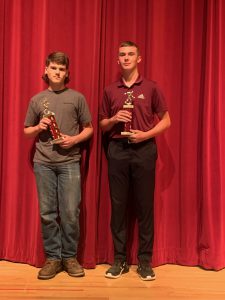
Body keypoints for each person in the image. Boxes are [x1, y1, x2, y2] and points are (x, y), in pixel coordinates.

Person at [99, 41, 171, 281]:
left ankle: (145, 261)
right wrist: (113, 119)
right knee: (118, 207)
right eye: (122, 54)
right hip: (117, 149)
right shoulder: (110, 90)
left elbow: (166, 120)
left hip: (144, 149)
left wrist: (145, 134)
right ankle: (119, 260)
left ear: (139, 59)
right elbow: (101, 124)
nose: (126, 58)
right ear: (117, 60)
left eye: (131, 54)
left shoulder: (151, 87)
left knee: (144, 207)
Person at [24, 52, 93, 280]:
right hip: (43, 163)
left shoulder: (77, 98)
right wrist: (38, 127)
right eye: (53, 68)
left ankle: (70, 257)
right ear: (46, 70)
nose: (57, 72)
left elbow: (89, 128)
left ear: (67, 73)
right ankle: (53, 258)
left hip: (70, 162)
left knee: (71, 212)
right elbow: (26, 131)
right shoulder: (36, 100)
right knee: (47, 213)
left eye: (61, 69)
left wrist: (74, 140)